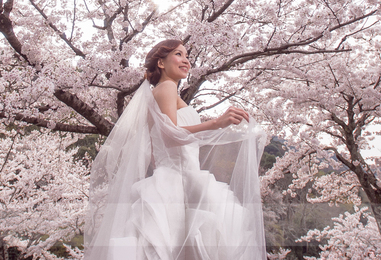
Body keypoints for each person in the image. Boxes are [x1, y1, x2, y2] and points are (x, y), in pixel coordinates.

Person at [85, 39, 267, 260]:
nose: (186, 60)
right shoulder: (167, 87)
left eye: (187, 55)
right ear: (161, 63)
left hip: (177, 180)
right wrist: (216, 124)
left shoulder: (165, 93)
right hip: (177, 182)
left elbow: (161, 144)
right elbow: (171, 136)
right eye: (178, 54)